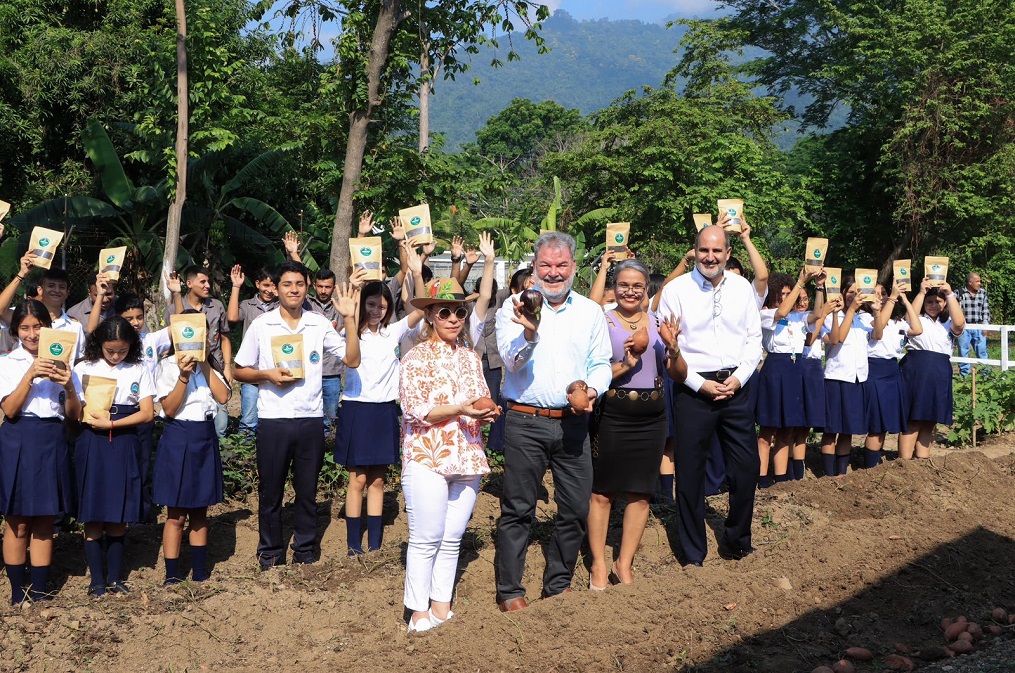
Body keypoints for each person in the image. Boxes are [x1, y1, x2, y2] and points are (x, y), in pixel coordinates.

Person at [494, 231, 612, 611]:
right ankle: (510, 590)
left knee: (575, 507)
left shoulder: (590, 312)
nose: (554, 272)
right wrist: (530, 331)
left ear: (574, 267)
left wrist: (592, 390)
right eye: (546, 265)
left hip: (573, 423)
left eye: (562, 265)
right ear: (534, 267)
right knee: (518, 509)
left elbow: (600, 364)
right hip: (526, 422)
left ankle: (557, 581)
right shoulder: (512, 308)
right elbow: (511, 362)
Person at [233, 261, 360, 569]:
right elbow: (238, 370)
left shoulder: (317, 324)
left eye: (299, 284)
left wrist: (349, 318)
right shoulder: (262, 326)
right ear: (276, 289)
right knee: (271, 491)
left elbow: (352, 359)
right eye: (287, 284)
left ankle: (305, 551)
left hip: (309, 419)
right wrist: (267, 374)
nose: (293, 290)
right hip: (274, 420)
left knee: (307, 491)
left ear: (307, 288)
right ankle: (270, 552)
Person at [656, 224, 763, 566]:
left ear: (728, 253)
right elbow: (670, 348)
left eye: (717, 251)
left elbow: (753, 340)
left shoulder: (742, 288)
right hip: (693, 390)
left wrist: (740, 377)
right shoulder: (676, 291)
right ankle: (692, 554)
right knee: (690, 473)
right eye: (704, 250)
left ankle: (736, 540)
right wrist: (699, 384)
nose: (710, 257)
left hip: (736, 389)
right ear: (696, 250)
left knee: (747, 468)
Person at [398, 278, 499, 632]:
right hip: (427, 455)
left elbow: (480, 399)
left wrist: (486, 412)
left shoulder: (472, 358)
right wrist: (462, 409)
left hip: (467, 454)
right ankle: (417, 612)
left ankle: (441, 606)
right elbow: (415, 409)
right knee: (426, 537)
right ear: (429, 315)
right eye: (445, 311)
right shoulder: (415, 357)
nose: (454, 318)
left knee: (452, 536)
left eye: (459, 311)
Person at [335, 243, 425, 555]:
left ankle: (373, 545)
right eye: (371, 304)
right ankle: (351, 545)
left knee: (378, 482)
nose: (377, 310)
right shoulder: (350, 334)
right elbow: (351, 356)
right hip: (357, 410)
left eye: (382, 305)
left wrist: (415, 271)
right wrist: (354, 292)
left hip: (385, 410)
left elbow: (422, 309)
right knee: (357, 480)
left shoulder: (395, 332)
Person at [587, 259, 671, 589]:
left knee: (641, 493)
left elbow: (672, 369)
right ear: (615, 286)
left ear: (647, 288)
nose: (630, 291)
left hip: (652, 416)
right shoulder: (601, 321)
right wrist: (624, 365)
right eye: (624, 284)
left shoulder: (659, 322)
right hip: (613, 413)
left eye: (637, 286)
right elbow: (594, 374)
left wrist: (674, 348)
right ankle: (597, 564)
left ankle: (624, 563)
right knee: (603, 492)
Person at [0, 300, 81, 604]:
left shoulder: (66, 363)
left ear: (48, 328)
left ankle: (41, 589)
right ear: (16, 330)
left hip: (52, 439)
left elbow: (74, 415)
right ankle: (18, 589)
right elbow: (8, 408)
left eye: (38, 326)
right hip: (18, 437)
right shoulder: (6, 362)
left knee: (46, 520)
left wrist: (69, 385)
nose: (32, 334)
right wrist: (30, 375)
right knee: (17, 520)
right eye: (25, 327)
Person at [73, 316, 156, 596]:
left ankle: (116, 577)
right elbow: (74, 409)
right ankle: (97, 580)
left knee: (119, 511)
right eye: (110, 350)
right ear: (99, 344)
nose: (116, 356)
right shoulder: (84, 367)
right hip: (92, 442)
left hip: (123, 441)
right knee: (94, 511)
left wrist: (112, 424)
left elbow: (147, 413)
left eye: (122, 350)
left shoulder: (139, 369)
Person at [154, 335, 231, 585]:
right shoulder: (167, 365)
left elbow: (223, 397)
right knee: (175, 513)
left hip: (204, 436)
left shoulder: (211, 365)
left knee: (200, 510)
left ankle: (199, 571)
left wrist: (206, 361)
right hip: (178, 434)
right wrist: (183, 376)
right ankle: (172, 574)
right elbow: (169, 408)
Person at [756, 268, 821, 486]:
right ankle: (762, 478)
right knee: (767, 430)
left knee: (787, 428)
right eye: (781, 294)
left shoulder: (799, 317)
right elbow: (781, 312)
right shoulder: (766, 314)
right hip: (775, 369)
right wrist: (801, 282)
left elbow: (817, 315)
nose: (785, 298)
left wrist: (820, 287)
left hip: (796, 370)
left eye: (788, 293)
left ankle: (782, 478)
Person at [898, 279, 965, 459]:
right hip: (917, 369)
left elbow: (960, 324)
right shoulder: (917, 319)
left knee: (930, 419)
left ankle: (923, 462)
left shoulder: (948, 323)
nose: (934, 305)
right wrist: (921, 293)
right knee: (914, 418)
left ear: (944, 304)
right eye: (930, 301)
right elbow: (908, 319)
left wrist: (949, 293)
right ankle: (904, 463)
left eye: (938, 301)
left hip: (940, 371)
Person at [165, 265, 231, 437]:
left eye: (208, 281)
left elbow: (225, 338)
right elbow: (183, 328)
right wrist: (176, 294)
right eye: (202, 281)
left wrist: (227, 367)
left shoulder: (216, 306)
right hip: (185, 367)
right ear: (189, 283)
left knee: (221, 422)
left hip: (212, 367)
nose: (207, 285)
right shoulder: (174, 309)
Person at [862, 281, 921, 467]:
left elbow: (917, 329)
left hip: (892, 371)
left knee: (885, 424)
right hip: (874, 370)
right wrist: (893, 298)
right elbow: (878, 327)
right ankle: (869, 467)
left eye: (884, 292)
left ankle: (874, 463)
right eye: (876, 293)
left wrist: (904, 300)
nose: (880, 296)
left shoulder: (896, 322)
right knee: (876, 426)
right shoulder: (863, 318)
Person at [820, 277, 869, 477]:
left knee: (848, 429)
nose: (853, 296)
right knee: (831, 429)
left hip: (857, 378)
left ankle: (841, 473)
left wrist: (875, 308)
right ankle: (827, 474)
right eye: (850, 292)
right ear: (841, 293)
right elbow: (838, 337)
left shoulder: (864, 318)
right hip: (836, 376)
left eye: (857, 292)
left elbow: (879, 333)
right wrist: (849, 310)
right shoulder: (832, 316)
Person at [227, 265, 278, 436]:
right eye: (265, 285)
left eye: (273, 286)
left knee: (273, 419)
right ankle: (244, 459)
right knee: (249, 420)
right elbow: (233, 318)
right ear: (257, 284)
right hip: (251, 371)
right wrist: (236, 286)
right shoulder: (247, 305)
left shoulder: (282, 307)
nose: (269, 290)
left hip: (275, 371)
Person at [955, 272, 990, 376]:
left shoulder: (983, 293)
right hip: (964, 327)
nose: (980, 283)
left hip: (979, 326)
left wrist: (985, 326)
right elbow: (953, 309)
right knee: (963, 351)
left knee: (982, 351)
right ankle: (965, 374)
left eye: (980, 281)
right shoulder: (959, 293)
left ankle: (985, 374)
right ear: (970, 282)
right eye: (977, 281)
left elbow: (986, 310)